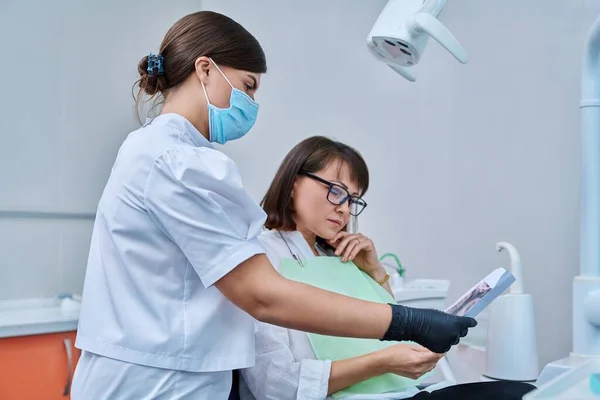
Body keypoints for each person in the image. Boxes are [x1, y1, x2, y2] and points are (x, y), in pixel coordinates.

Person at [70, 11, 477, 400]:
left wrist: (381, 281)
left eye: (352, 199)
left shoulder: (162, 152)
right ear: (205, 69)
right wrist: (409, 322)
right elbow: (263, 296)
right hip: (152, 383)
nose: (251, 103)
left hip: (171, 376)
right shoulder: (174, 161)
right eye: (248, 86)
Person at [239, 136, 536, 400]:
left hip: (395, 391)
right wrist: (383, 362)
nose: (344, 208)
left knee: (524, 392)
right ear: (293, 185)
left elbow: (393, 330)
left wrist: (375, 272)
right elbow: (274, 386)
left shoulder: (338, 256)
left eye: (353, 199)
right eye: (336, 191)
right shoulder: (262, 258)